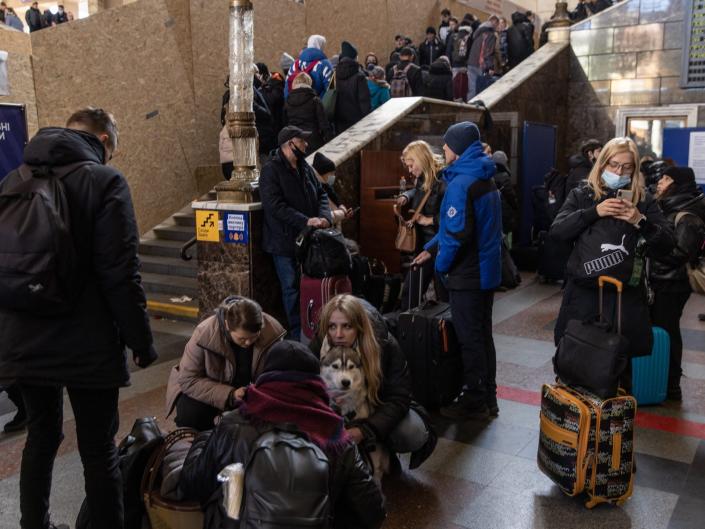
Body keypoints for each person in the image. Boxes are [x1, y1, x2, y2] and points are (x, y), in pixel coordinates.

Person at [0, 108, 157, 529]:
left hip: (23, 337)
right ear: (104, 141)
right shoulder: (105, 181)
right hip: (87, 340)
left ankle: (36, 524)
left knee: (42, 434)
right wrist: (140, 341)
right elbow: (120, 273)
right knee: (97, 448)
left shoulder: (14, 180)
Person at [179, 340, 386, 529]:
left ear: (267, 378)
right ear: (315, 383)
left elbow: (192, 485)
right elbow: (373, 510)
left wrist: (204, 439)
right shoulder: (335, 434)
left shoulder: (234, 424)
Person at [551, 137, 674, 389]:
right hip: (584, 297)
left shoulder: (644, 200)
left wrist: (640, 220)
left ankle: (614, 426)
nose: (619, 172)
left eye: (626, 167)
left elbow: (667, 245)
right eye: (614, 165)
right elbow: (557, 232)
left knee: (618, 371)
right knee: (575, 366)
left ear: (634, 169)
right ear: (602, 163)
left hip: (624, 300)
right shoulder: (583, 194)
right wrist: (594, 212)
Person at [412, 122, 502, 420]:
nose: (445, 149)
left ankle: (474, 399)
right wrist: (433, 246)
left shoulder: (462, 182)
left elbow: (457, 232)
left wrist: (439, 264)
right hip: (485, 269)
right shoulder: (483, 175)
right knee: (483, 334)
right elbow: (458, 226)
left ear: (459, 147)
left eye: (448, 145)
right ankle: (488, 396)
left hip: (467, 273)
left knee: (469, 337)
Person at [310, 295, 432, 469]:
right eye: (332, 326)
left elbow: (398, 398)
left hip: (375, 410)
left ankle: (379, 447)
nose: (338, 334)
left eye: (347, 326)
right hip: (336, 415)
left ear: (359, 327)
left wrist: (365, 430)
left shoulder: (384, 345)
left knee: (413, 433)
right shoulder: (319, 344)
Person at [165, 296, 286, 431]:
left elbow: (279, 372)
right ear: (228, 325)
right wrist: (230, 395)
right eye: (242, 339)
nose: (248, 343)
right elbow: (189, 379)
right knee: (191, 414)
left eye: (254, 337)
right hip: (213, 386)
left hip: (251, 391)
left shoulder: (272, 332)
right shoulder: (204, 333)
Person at [259, 126, 332, 341]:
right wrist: (305, 220)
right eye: (302, 141)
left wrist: (324, 216)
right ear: (290, 144)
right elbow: (274, 206)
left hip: (308, 239)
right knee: (290, 289)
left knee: (310, 285)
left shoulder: (305, 167)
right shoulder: (271, 170)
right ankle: (296, 336)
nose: (306, 144)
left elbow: (321, 194)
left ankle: (311, 331)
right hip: (283, 242)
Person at [650, 167, 705, 401]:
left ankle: (671, 383)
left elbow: (680, 252)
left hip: (672, 284)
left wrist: (651, 250)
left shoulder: (687, 215)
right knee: (663, 329)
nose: (660, 182)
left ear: (678, 184)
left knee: (668, 330)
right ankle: (661, 376)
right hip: (664, 281)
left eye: (666, 178)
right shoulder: (672, 206)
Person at [396, 141, 448, 309]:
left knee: (441, 296)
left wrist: (430, 220)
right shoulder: (423, 177)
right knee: (412, 291)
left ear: (421, 158)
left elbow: (454, 214)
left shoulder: (443, 179)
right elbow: (419, 191)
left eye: (411, 165)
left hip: (437, 244)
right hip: (424, 243)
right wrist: (407, 195)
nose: (410, 170)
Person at [283, 72, 332, 153]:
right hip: (314, 141)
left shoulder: (287, 102)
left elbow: (285, 124)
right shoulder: (315, 100)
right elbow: (324, 125)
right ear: (309, 83)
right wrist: (331, 142)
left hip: (295, 142)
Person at [334, 41, 371, 134]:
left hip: (339, 120)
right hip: (356, 121)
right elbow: (364, 102)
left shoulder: (334, 74)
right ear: (355, 58)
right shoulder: (359, 77)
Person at [312, 152, 355, 227]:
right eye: (331, 173)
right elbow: (324, 216)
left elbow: (334, 199)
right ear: (323, 173)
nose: (333, 176)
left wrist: (343, 209)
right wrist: (342, 214)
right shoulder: (315, 188)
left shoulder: (326, 186)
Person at [285, 35, 334, 99]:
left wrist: (290, 106)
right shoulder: (325, 64)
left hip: (294, 106)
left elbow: (287, 88)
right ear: (320, 46)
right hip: (316, 106)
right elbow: (331, 90)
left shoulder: (294, 64)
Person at [467, 15, 499, 101]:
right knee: (481, 91)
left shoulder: (478, 32)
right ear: (493, 23)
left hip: (471, 62)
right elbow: (488, 52)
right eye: (496, 24)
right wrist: (490, 67)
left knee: (472, 89)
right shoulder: (490, 35)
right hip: (481, 65)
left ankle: (469, 108)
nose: (497, 26)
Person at [492, 151, 519, 237]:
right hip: (505, 215)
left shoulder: (489, 175)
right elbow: (511, 196)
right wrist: (516, 206)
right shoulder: (504, 177)